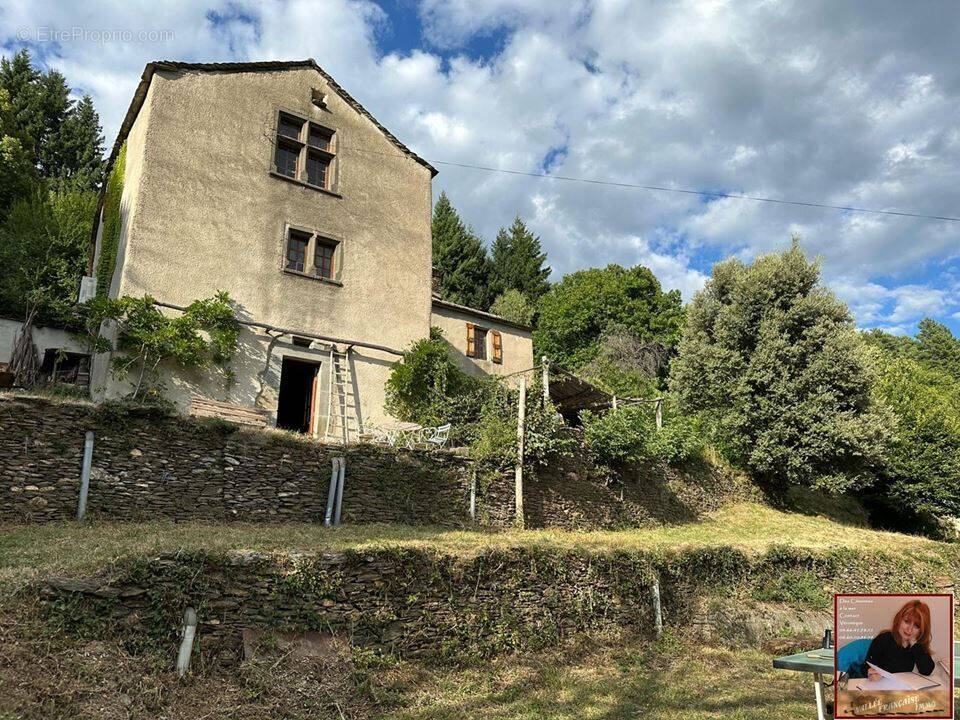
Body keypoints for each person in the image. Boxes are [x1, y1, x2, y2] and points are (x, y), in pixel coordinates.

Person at [866, 599, 935, 678]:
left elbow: (927, 670)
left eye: (916, 626)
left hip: (902, 687)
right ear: (899, 619)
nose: (909, 629)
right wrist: (870, 672)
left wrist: (914, 644)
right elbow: (865, 666)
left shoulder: (917, 645)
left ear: (922, 630)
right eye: (906, 621)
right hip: (881, 684)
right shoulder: (883, 639)